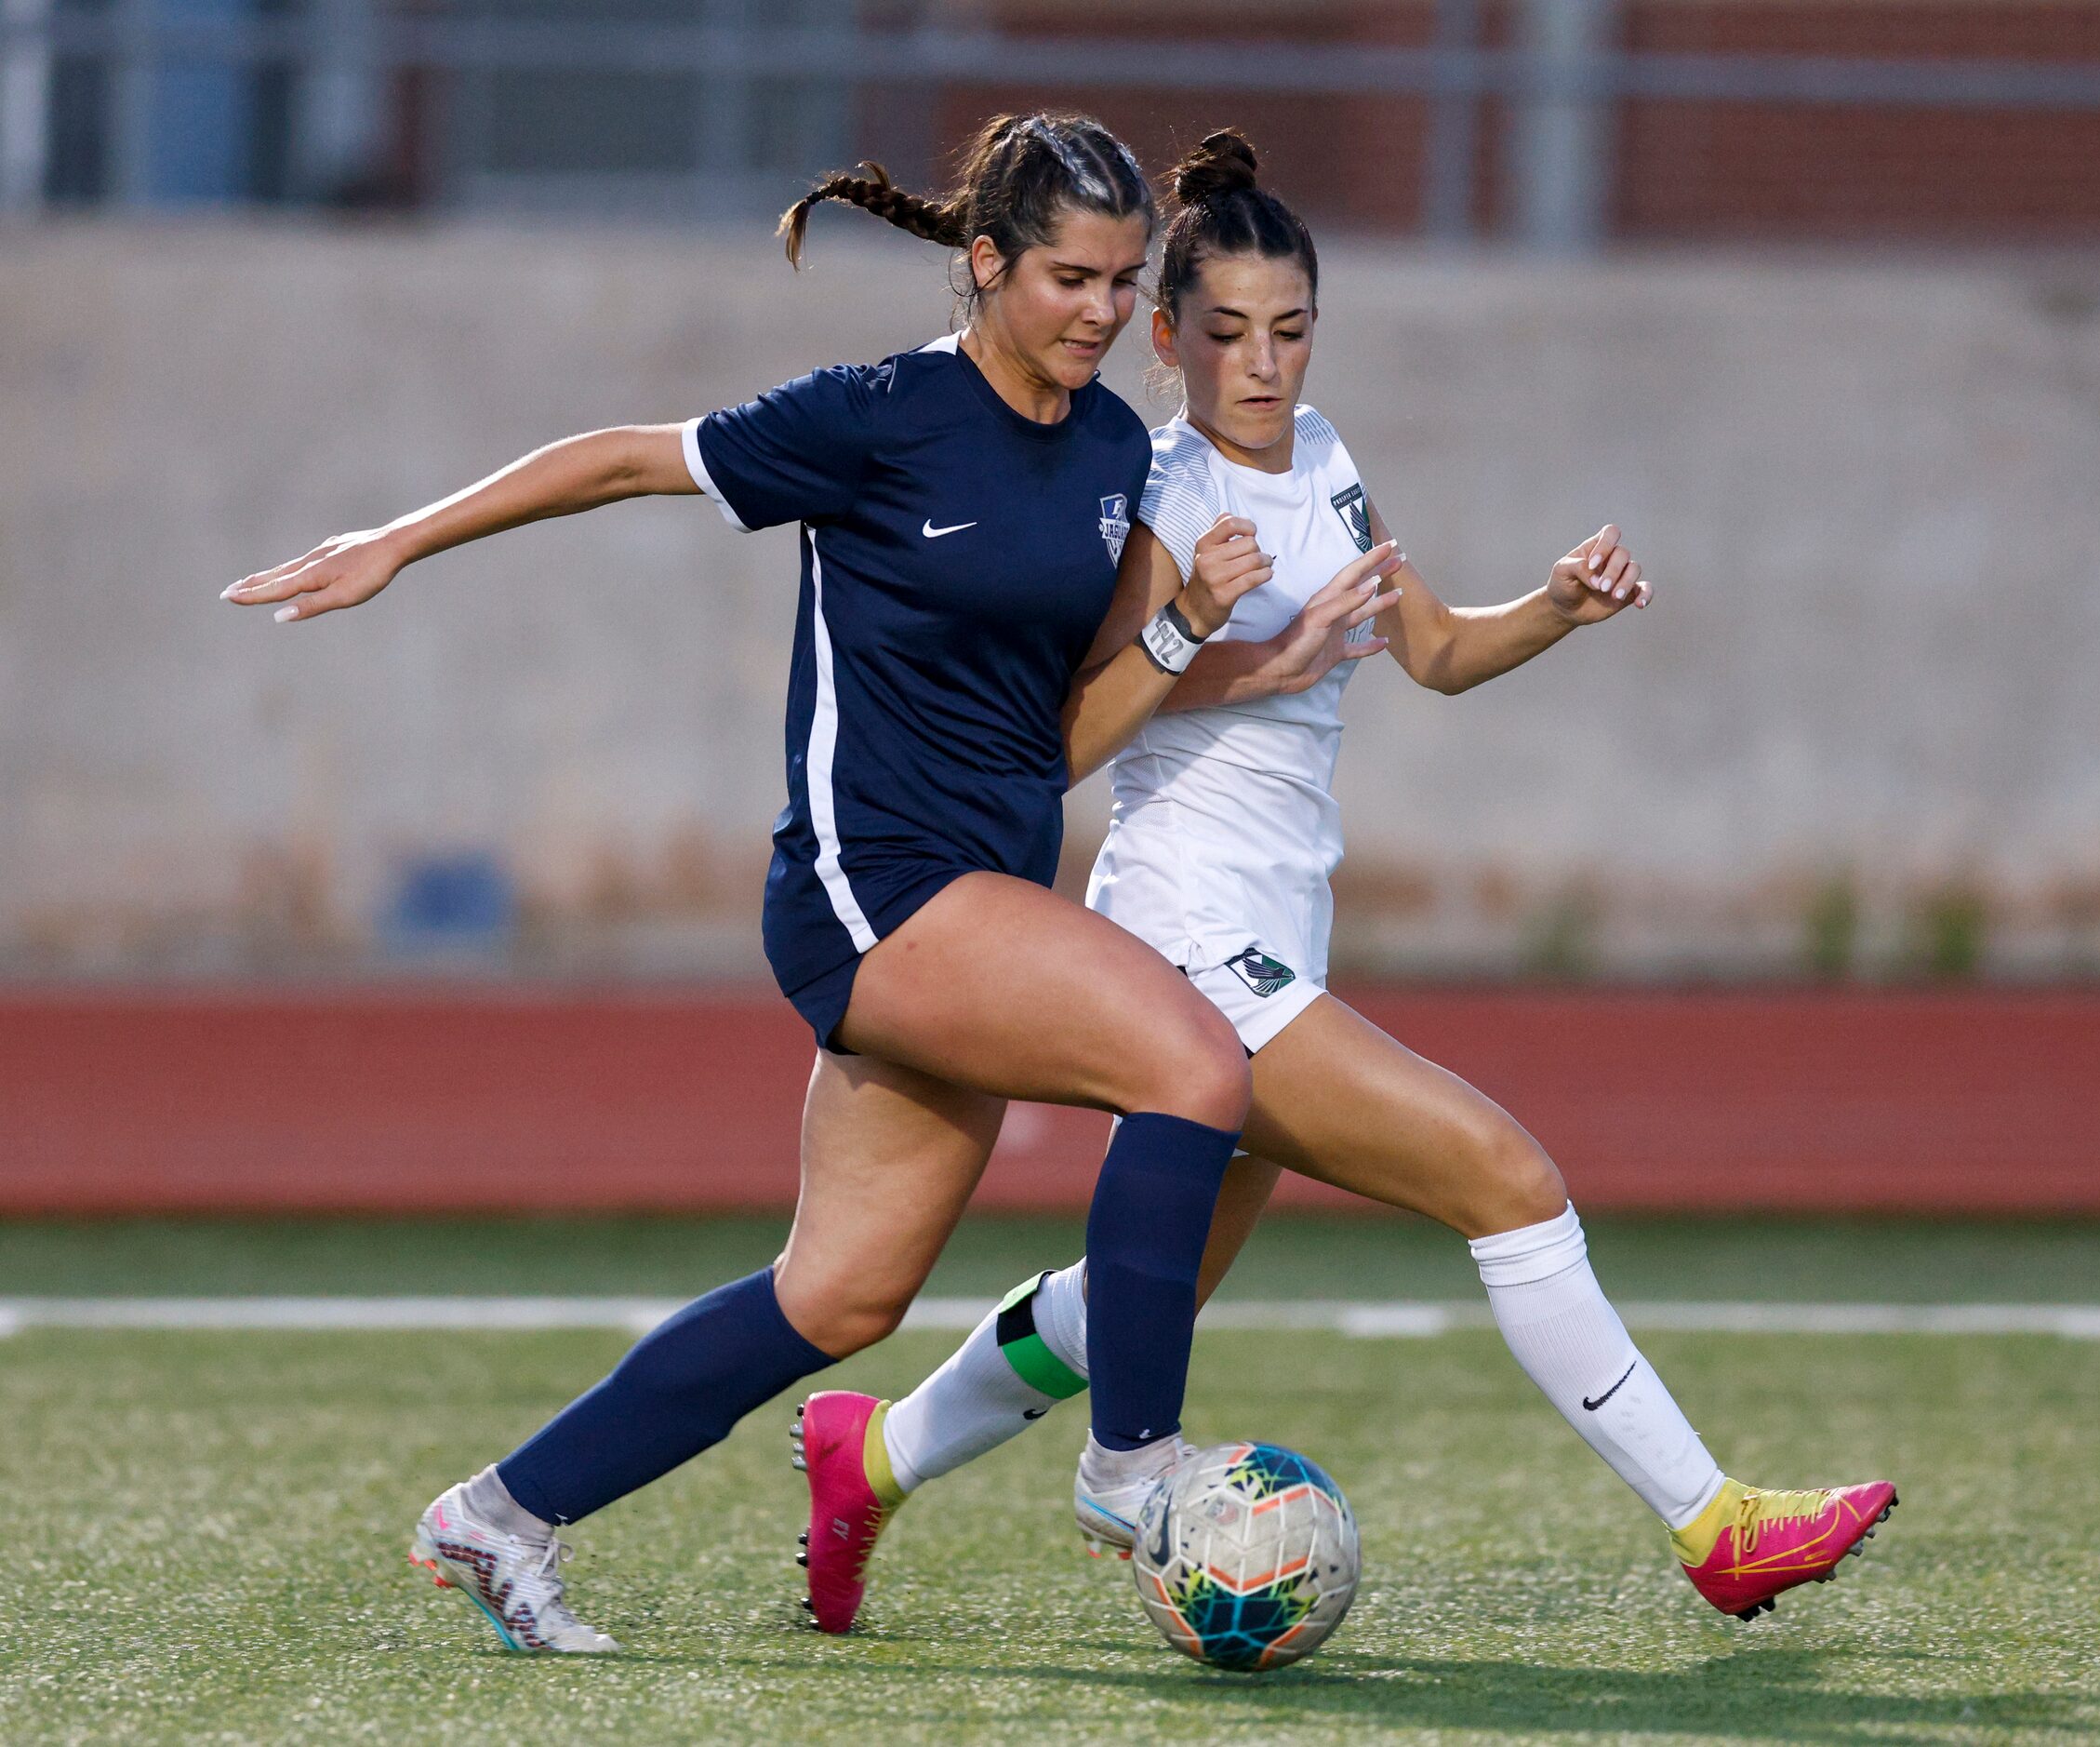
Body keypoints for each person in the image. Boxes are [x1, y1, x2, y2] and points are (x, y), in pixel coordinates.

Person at [219, 113, 1357, 1652]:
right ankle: (1131, 1466)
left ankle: (498, 1516)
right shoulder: (878, 414)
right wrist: (401, 541)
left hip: (990, 886)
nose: (1098, 311)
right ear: (986, 264)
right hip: (871, 889)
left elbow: (1064, 738)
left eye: (1117, 282)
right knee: (1194, 1064)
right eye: (1069, 279)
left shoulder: (1107, 452)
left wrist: (1190, 640)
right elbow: (628, 455)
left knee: (839, 1297)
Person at [800, 132, 1897, 1626]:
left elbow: (1434, 651)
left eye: (1294, 329)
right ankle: (1715, 1522)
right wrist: (1258, 653)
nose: (1264, 364)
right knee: (1506, 1178)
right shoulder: (1159, 488)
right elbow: (1075, 711)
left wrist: (1557, 610)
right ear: (1169, 335)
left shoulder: (1326, 458)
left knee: (1149, 1292)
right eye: (1230, 333)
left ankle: (870, 1452)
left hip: (1274, 934)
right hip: (1183, 936)